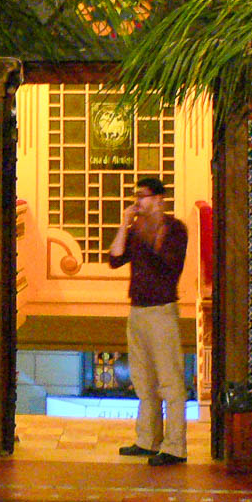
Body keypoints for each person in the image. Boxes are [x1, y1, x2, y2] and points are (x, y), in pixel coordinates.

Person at [108, 177, 190, 466]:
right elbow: (115, 258)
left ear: (158, 199)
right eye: (136, 197)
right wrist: (124, 225)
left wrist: (149, 231)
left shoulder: (174, 229)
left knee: (170, 381)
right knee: (143, 380)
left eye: (143, 197)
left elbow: (169, 263)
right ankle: (147, 440)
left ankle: (175, 446)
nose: (138, 202)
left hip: (162, 311)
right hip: (138, 310)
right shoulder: (136, 230)